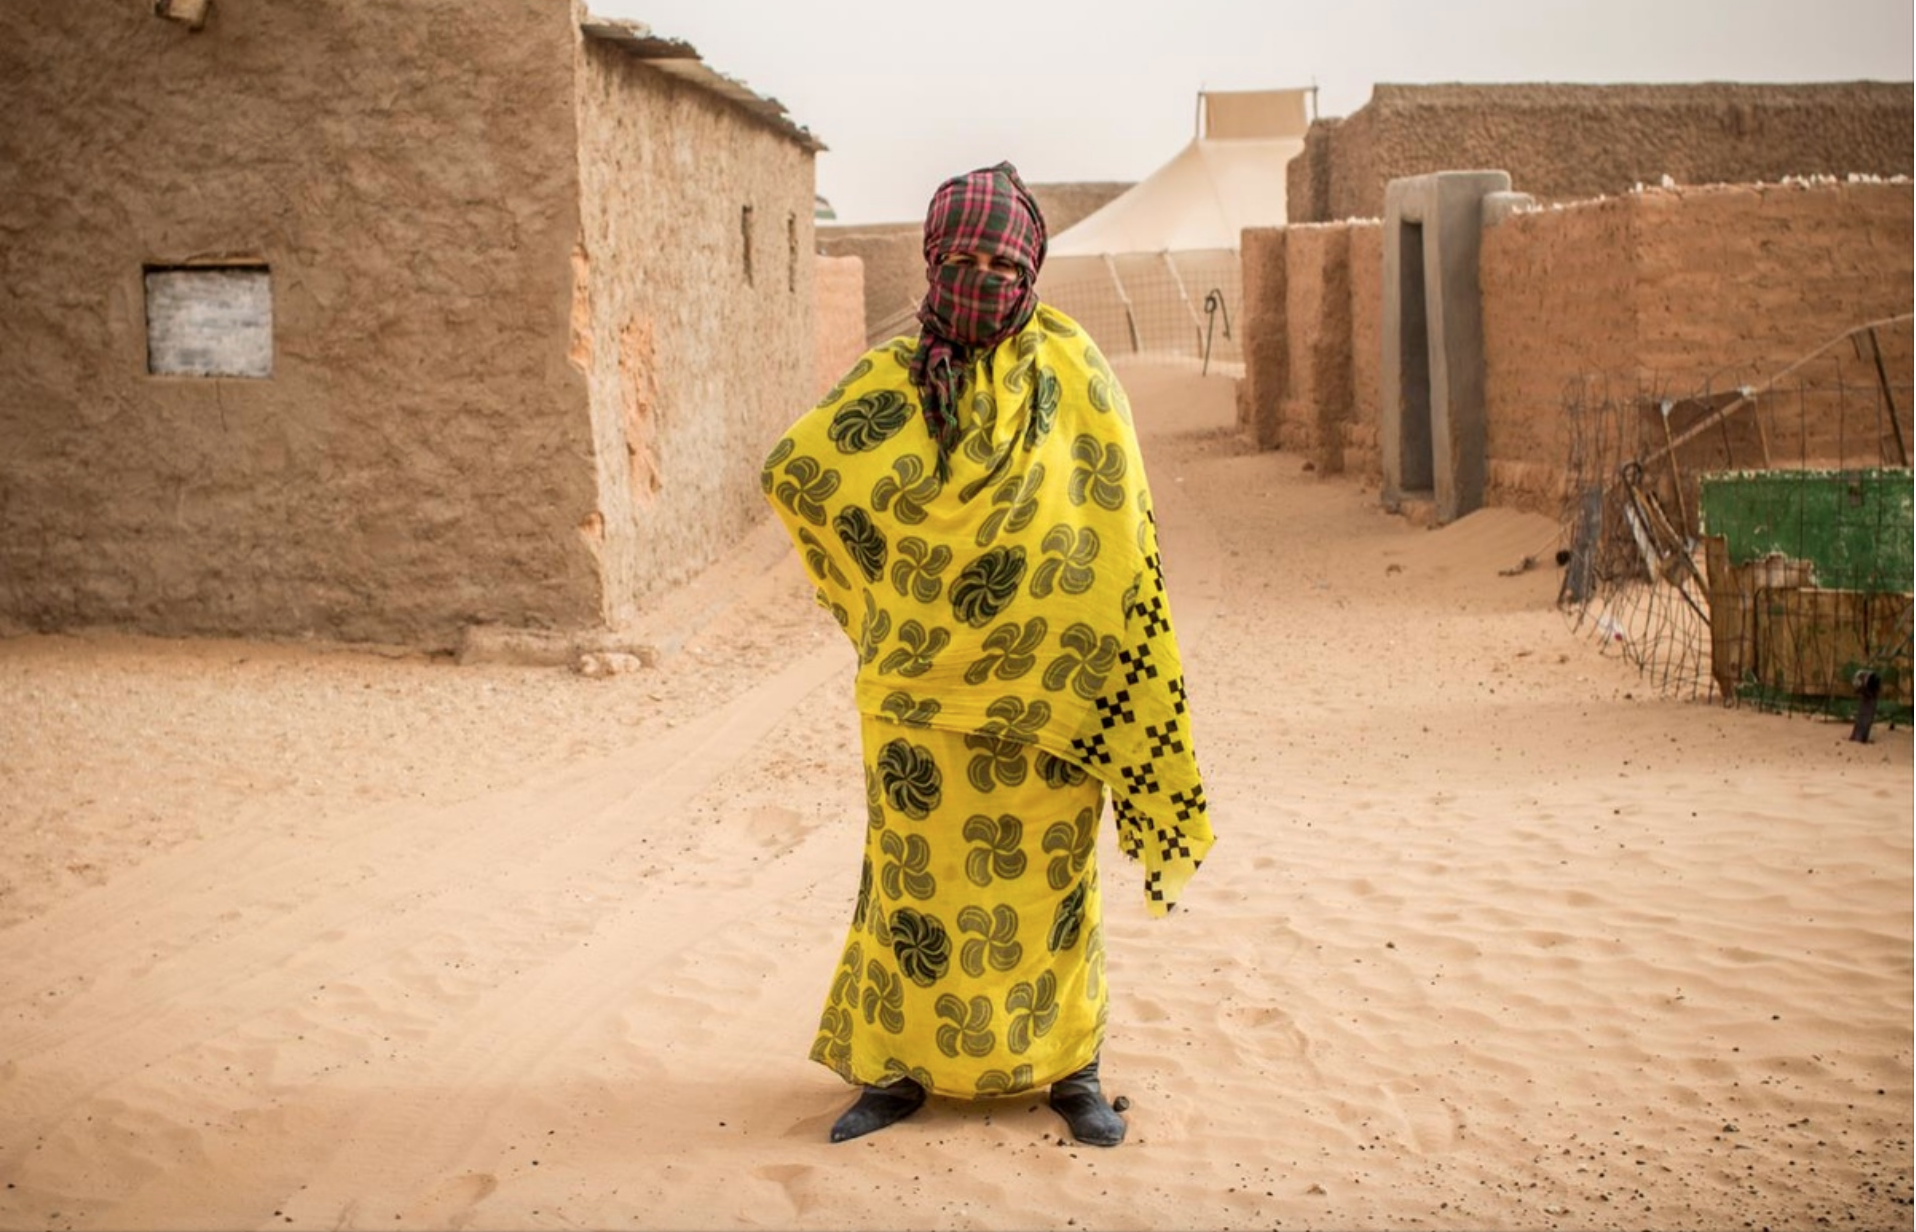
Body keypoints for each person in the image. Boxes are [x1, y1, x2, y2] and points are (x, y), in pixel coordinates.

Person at [761, 162, 1214, 1147]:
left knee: (1052, 888)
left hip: (1052, 693)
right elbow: (801, 473)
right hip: (918, 697)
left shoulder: (1073, 371)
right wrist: (883, 597)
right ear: (930, 260)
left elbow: (1118, 528)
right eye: (961, 256)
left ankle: (1070, 1069)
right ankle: (897, 1071)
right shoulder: (889, 382)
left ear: (1031, 267)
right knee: (913, 886)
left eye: (999, 260)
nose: (980, 276)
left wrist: (1085, 650)